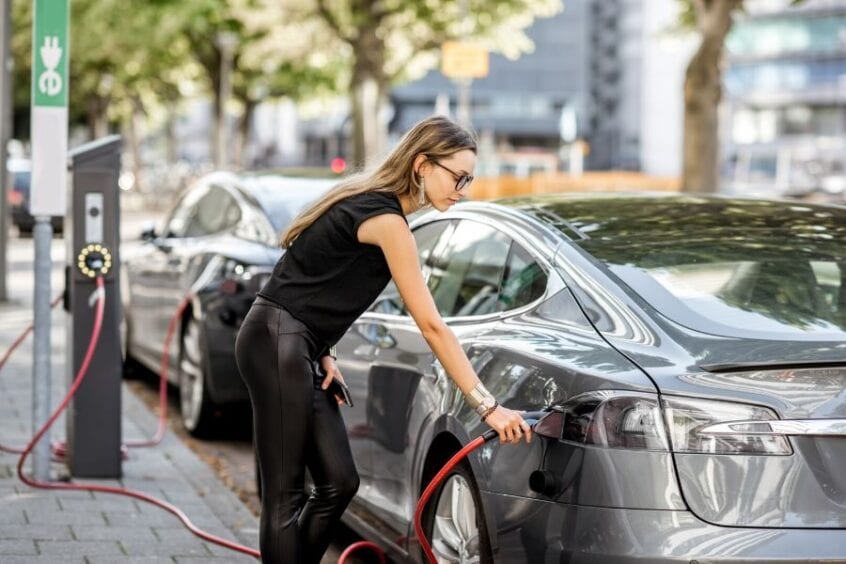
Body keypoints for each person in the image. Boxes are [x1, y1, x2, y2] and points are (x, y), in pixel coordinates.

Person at [234, 115, 532, 564]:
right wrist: (487, 406)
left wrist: (325, 351)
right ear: (422, 165)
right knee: (285, 496)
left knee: (338, 482)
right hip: (277, 340)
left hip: (298, 345)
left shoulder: (374, 207)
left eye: (469, 179)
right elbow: (432, 325)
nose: (463, 188)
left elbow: (314, 275)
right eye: (458, 176)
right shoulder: (385, 219)